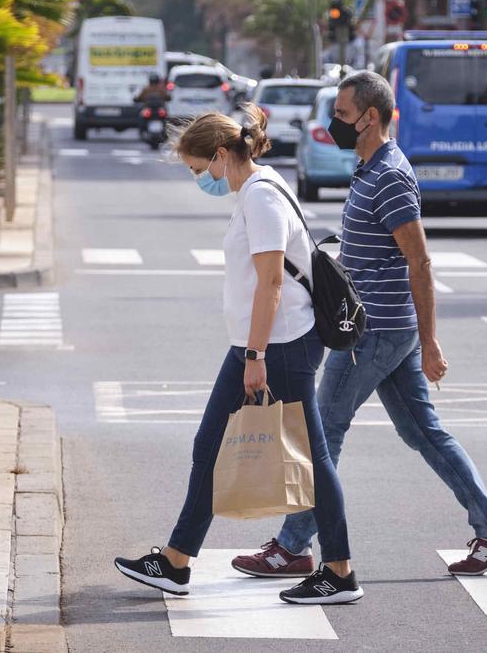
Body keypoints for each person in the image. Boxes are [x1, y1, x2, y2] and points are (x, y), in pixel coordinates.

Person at [233, 72, 487, 578]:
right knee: (423, 433)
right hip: (384, 328)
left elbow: (420, 262)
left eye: (343, 115)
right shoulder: (369, 168)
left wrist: (430, 341)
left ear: (370, 117)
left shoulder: (389, 175)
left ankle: (292, 546)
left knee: (321, 433)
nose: (335, 125)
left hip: (377, 333)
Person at [113, 105, 364, 605]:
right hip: (260, 344)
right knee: (209, 445)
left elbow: (272, 282)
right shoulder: (259, 187)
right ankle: (176, 560)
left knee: (313, 459)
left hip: (280, 346)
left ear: (222, 155)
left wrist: (255, 355)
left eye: (198, 168)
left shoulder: (261, 199)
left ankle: (339, 572)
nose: (199, 178)